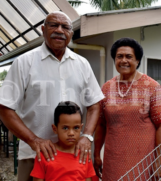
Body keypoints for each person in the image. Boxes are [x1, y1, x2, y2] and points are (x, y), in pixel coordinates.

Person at [0, 11, 104, 181]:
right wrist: (34, 140)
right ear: (43, 29)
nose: (60, 30)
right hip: (34, 155)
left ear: (71, 33)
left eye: (65, 27)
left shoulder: (82, 64)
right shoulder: (25, 62)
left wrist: (86, 136)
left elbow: (94, 105)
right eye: (54, 25)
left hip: (74, 156)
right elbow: (4, 108)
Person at [94, 37, 161, 181]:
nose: (123, 60)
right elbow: (101, 124)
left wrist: (159, 163)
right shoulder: (107, 87)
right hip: (113, 161)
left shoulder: (152, 86)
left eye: (129, 56)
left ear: (137, 61)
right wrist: (96, 154)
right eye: (119, 56)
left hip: (142, 161)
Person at [30, 101, 96, 181]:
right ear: (55, 129)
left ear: (81, 128)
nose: (71, 133)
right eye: (65, 128)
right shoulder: (45, 154)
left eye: (76, 128)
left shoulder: (84, 155)